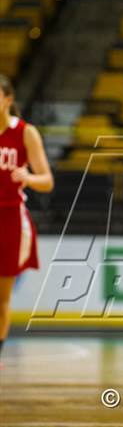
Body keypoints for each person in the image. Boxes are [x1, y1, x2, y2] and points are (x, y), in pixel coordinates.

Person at [0, 75, 54, 360]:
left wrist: (28, 177)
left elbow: (47, 181)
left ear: (8, 99)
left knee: (2, 298)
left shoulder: (24, 132)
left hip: (9, 217)